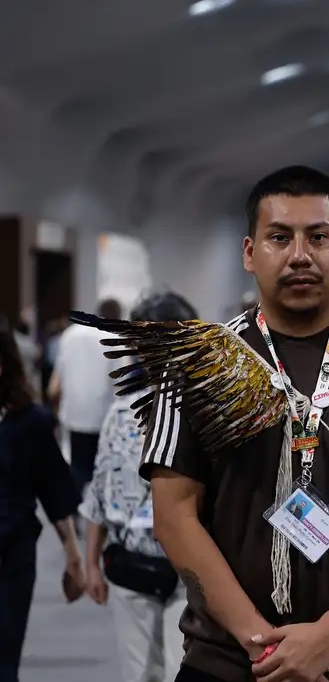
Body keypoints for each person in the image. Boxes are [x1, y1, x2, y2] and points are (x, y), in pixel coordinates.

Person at [78, 165, 329, 682]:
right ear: (249, 253)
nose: (300, 255)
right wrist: (264, 648)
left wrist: (327, 637)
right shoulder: (197, 364)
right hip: (226, 663)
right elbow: (174, 515)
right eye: (279, 237)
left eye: (318, 237)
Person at [80, 292, 199, 682]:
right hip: (134, 565)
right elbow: (100, 493)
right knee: (142, 673)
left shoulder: (208, 413)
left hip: (192, 571)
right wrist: (90, 563)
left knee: (181, 671)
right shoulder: (121, 412)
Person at [0, 322, 85, 682]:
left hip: (11, 552)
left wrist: (74, 557)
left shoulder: (28, 421)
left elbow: (54, 489)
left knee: (4, 657)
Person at [49, 298, 122, 492]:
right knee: (104, 475)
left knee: (78, 472)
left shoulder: (70, 334)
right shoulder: (116, 339)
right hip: (104, 419)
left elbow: (55, 383)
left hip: (73, 416)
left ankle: (76, 508)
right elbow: (121, 387)